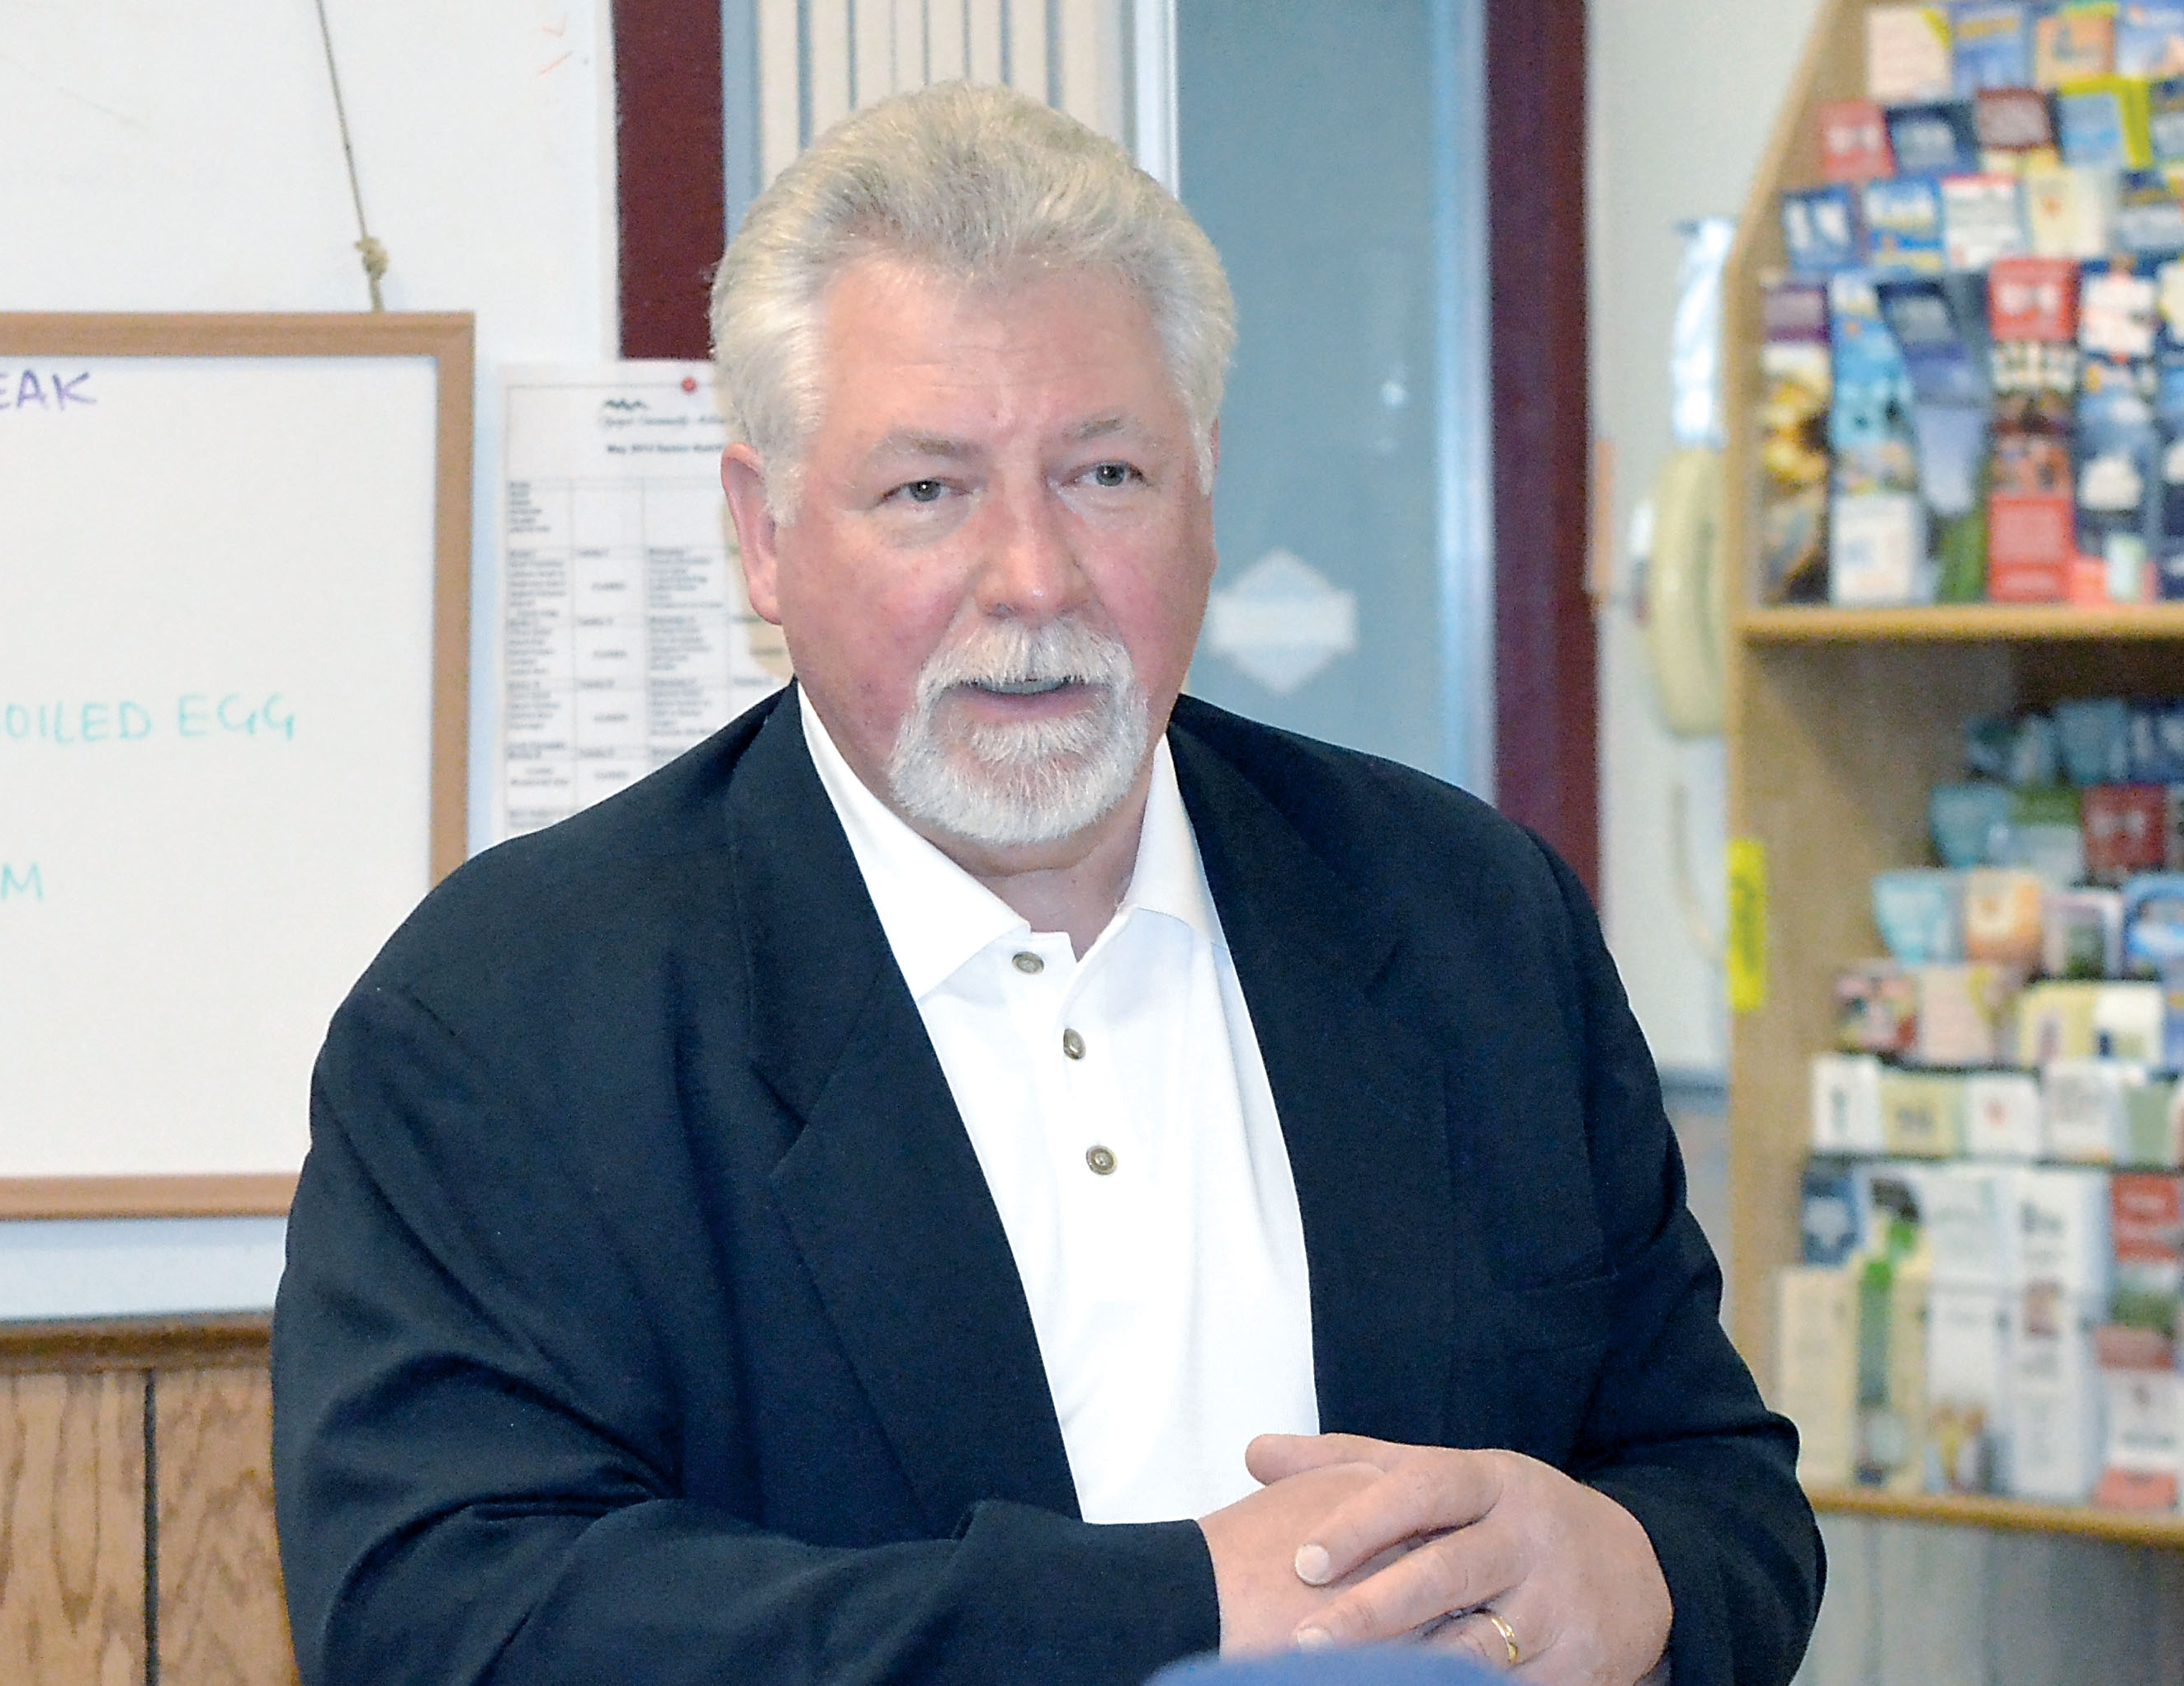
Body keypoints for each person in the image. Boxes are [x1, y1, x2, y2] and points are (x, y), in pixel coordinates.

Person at [272, 81, 1822, 1686]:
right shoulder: (508, 1009)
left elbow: (1719, 1486)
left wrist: (1625, 1572)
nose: (1032, 577)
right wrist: (1170, 1607)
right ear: (761, 534)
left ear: (1203, 488)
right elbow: (446, 1619)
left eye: (1104, 475)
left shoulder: (1463, 909)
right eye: (926, 490)